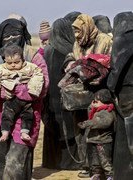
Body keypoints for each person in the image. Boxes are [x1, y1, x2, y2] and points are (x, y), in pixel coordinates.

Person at [0, 13, 47, 179]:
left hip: (26, 117)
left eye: (15, 35)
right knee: (0, 163)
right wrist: (1, 93)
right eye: (7, 36)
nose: (12, 39)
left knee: (15, 163)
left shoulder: (34, 57)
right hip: (0, 118)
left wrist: (16, 90)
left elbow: (44, 87)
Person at [63, 13, 113, 178]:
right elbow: (72, 57)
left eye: (79, 31)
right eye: (75, 32)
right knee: (81, 130)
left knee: (100, 132)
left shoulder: (104, 40)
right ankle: (87, 166)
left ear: (88, 27)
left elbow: (107, 63)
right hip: (81, 94)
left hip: (100, 93)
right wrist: (70, 64)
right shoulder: (78, 43)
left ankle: (105, 170)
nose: (77, 35)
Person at [42, 18, 81, 170]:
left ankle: (51, 162)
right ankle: (70, 164)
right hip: (65, 97)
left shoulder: (47, 50)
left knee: (52, 128)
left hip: (49, 98)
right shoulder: (69, 50)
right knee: (69, 127)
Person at [0, 45, 44, 142]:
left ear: (23, 59)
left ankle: (25, 132)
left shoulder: (30, 67)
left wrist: (33, 91)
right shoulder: (1, 69)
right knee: (6, 116)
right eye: (9, 63)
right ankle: (5, 132)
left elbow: (38, 74)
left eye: (16, 62)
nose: (13, 65)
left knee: (28, 116)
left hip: (26, 101)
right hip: (10, 100)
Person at [107, 11, 133, 180]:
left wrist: (110, 86)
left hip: (126, 93)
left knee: (125, 139)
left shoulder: (123, 40)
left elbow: (117, 68)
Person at [77, 89, 115, 180]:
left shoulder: (107, 111)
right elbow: (90, 113)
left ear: (104, 101)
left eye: (96, 101)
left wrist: (87, 123)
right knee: (95, 162)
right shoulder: (95, 110)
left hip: (103, 142)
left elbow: (103, 122)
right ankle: (96, 175)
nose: (93, 103)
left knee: (105, 162)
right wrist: (92, 106)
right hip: (93, 141)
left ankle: (109, 176)